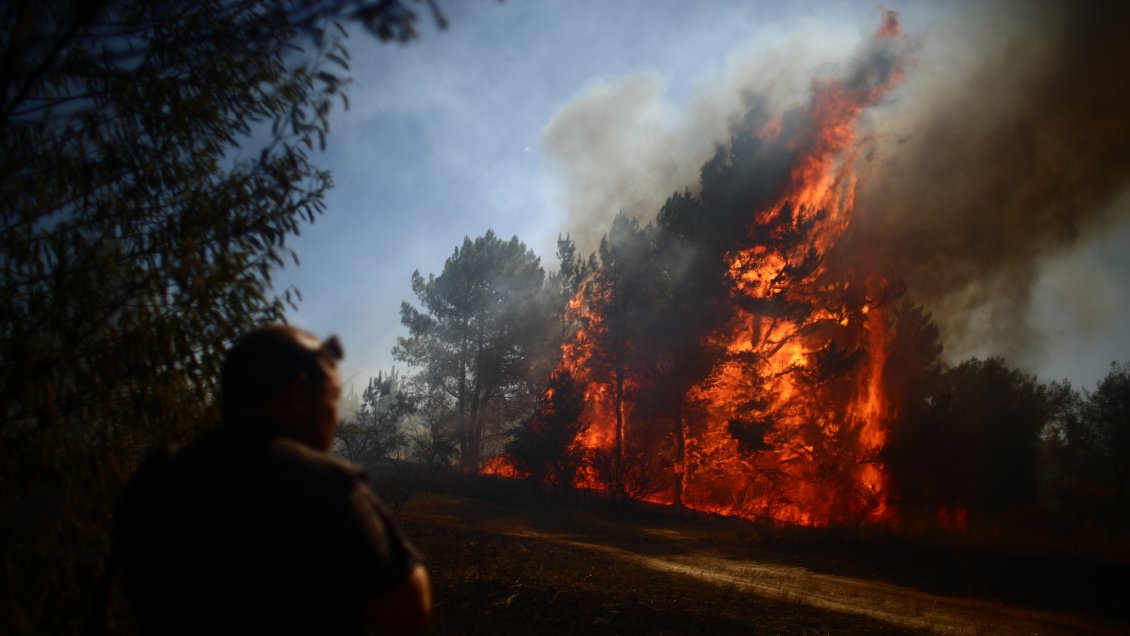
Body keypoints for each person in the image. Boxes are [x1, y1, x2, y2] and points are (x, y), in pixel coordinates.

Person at [112, 325, 430, 635]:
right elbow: (408, 612)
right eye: (331, 403)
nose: (333, 420)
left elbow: (131, 581)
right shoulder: (327, 486)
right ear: (298, 395)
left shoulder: (158, 475)